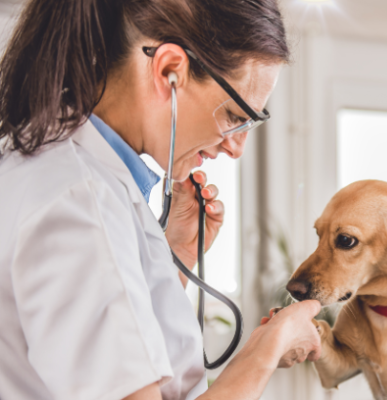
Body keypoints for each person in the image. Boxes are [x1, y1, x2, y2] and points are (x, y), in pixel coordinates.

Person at [0, 0, 321, 399]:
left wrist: (177, 257)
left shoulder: (65, 173)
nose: (237, 148)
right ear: (169, 71)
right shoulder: (79, 203)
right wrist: (266, 348)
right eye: (236, 117)